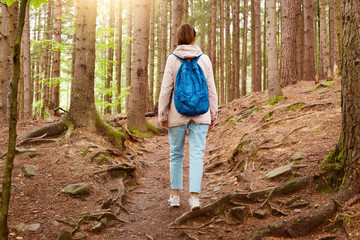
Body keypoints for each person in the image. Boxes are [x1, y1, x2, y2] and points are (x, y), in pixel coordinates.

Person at [158, 23, 218, 211]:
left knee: (176, 154)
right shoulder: (204, 59)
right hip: (201, 113)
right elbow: (211, 88)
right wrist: (213, 112)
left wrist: (162, 113)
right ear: (194, 38)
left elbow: (166, 88)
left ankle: (175, 196)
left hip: (177, 112)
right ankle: (194, 198)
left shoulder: (172, 59)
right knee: (196, 155)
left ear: (178, 38)